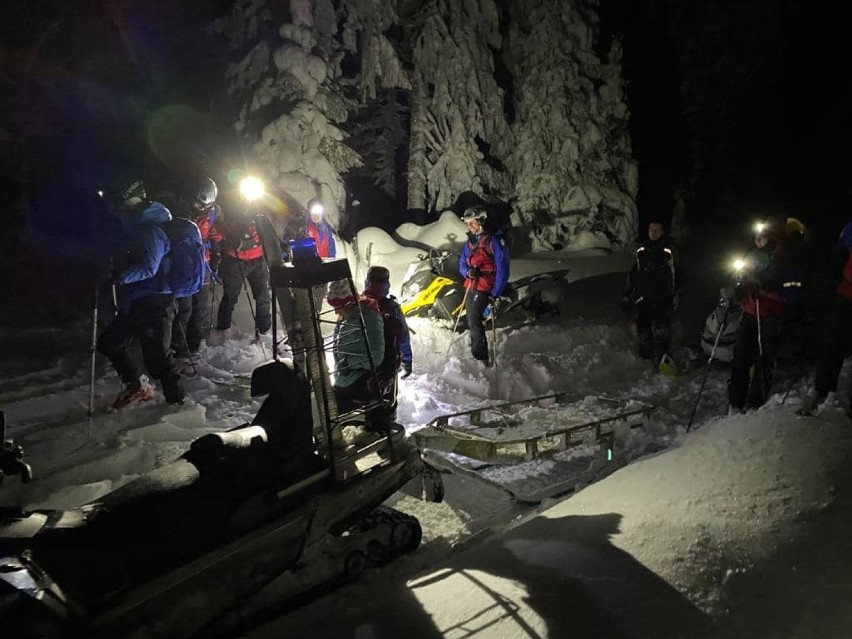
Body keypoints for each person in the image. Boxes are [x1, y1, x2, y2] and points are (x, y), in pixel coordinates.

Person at [97, 180, 185, 409]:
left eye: (120, 204)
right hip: (137, 300)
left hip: (157, 301)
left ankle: (177, 404)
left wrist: (118, 276)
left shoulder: (150, 228)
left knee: (159, 359)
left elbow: (149, 266)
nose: (117, 209)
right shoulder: (136, 226)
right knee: (109, 343)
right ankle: (138, 386)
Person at [727, 217, 805, 412]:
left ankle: (755, 403)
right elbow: (741, 279)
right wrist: (737, 291)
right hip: (750, 313)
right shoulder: (753, 256)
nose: (757, 239)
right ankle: (735, 402)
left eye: (762, 237)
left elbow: (792, 292)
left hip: (770, 317)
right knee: (740, 359)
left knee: (764, 362)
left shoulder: (786, 260)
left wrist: (766, 289)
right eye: (757, 236)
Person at [799, 221, 852, 416]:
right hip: (845, 294)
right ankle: (821, 391)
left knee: (833, 343)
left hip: (845, 293)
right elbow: (837, 259)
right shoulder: (850, 228)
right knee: (832, 343)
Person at [171, 177, 221, 362]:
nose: (199, 207)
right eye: (197, 204)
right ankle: (179, 348)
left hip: (204, 265)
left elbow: (216, 234)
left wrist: (216, 252)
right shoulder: (181, 211)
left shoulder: (215, 213)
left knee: (200, 308)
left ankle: (194, 346)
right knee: (184, 309)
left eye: (203, 205)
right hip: (186, 265)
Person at [458, 206, 510, 363]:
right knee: (471, 319)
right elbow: (462, 262)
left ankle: (480, 356)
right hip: (472, 284)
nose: (470, 227)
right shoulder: (471, 242)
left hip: (486, 284)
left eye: (473, 223)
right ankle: (477, 347)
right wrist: (467, 272)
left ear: (481, 221)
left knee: (473, 320)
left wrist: (495, 293)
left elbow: (503, 268)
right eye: (468, 224)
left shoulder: (493, 240)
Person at [211, 204, 271, 339]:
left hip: (257, 259)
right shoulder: (232, 212)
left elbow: (268, 232)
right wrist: (221, 247)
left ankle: (264, 331)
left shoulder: (260, 212)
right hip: (235, 261)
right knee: (230, 298)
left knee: (263, 297)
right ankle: (223, 330)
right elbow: (217, 233)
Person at [621, 221, 679, 361]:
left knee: (662, 329)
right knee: (643, 328)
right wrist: (628, 294)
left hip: (663, 296)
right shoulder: (642, 251)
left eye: (657, 230)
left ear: (663, 231)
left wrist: (677, 293)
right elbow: (634, 274)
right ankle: (645, 358)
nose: (653, 233)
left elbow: (676, 274)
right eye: (651, 229)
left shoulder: (669, 251)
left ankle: (663, 357)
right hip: (644, 296)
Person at [327, 279, 385, 416]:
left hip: (359, 385)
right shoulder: (348, 319)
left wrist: (349, 363)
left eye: (337, 307)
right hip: (346, 382)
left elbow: (376, 356)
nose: (336, 312)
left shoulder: (369, 319)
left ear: (347, 303)